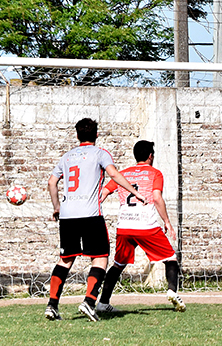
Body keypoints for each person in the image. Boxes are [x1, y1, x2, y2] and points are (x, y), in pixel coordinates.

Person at [46, 118, 145, 322]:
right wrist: (135, 191)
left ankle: (52, 305)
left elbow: (52, 181)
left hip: (67, 215)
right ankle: (89, 301)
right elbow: (114, 175)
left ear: (77, 135)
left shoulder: (67, 156)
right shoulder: (100, 153)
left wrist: (57, 207)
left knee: (65, 259)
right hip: (90, 214)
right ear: (97, 134)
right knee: (100, 257)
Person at [97, 140, 185, 313]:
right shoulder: (155, 174)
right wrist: (167, 221)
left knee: (117, 265)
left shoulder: (123, 173)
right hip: (147, 226)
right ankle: (172, 292)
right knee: (170, 258)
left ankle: (102, 303)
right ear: (151, 156)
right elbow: (157, 198)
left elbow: (104, 192)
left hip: (125, 226)